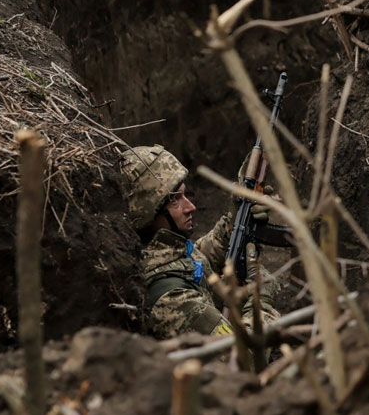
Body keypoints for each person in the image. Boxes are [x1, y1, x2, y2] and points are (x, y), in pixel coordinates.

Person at [119, 144, 278, 339]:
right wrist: (262, 302)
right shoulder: (170, 297)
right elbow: (244, 357)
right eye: (175, 200)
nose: (191, 207)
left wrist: (236, 217)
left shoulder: (159, 249)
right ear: (148, 213)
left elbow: (197, 258)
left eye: (185, 195)